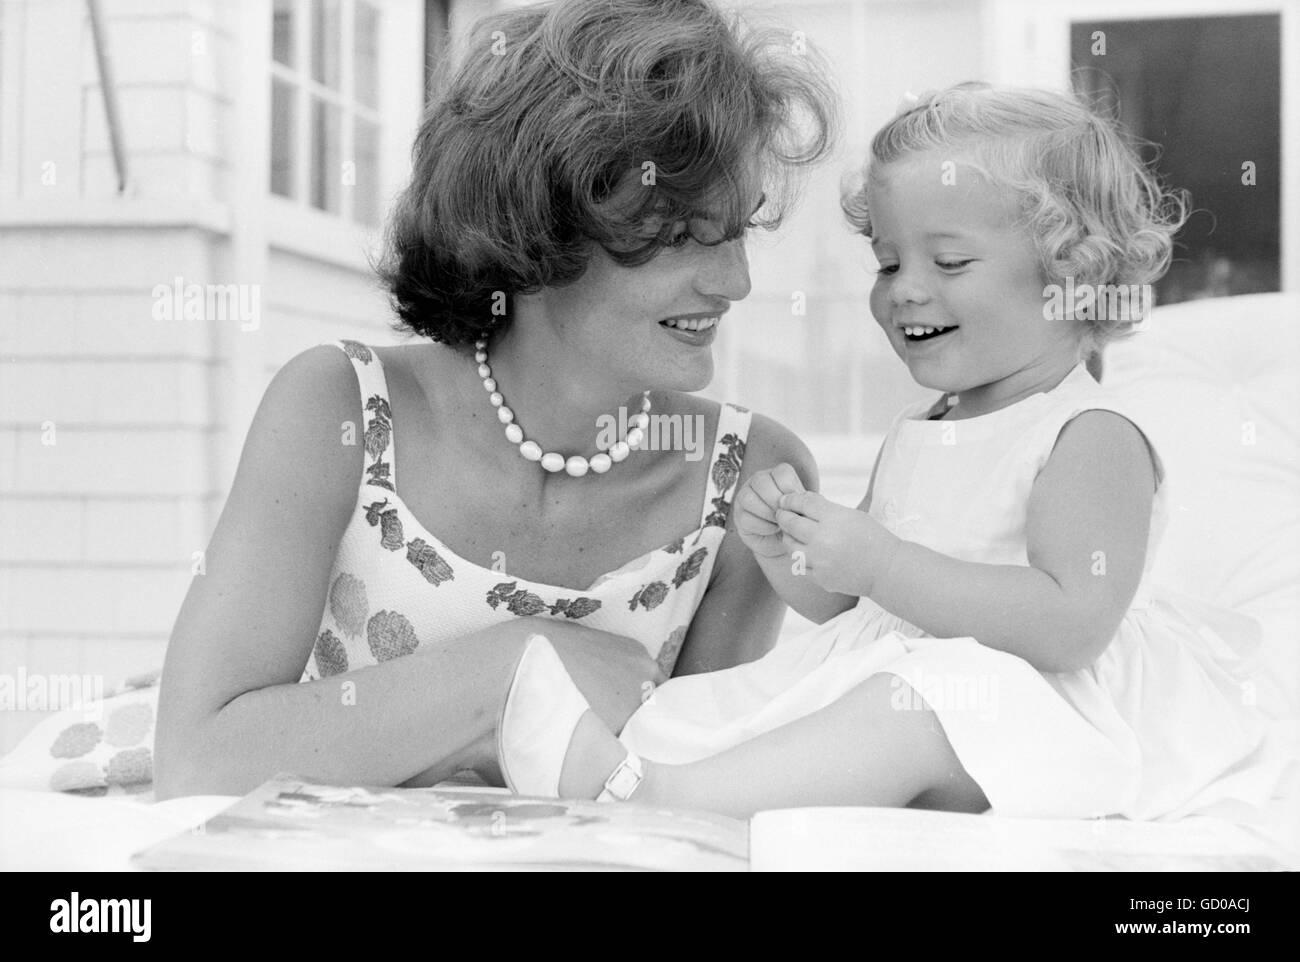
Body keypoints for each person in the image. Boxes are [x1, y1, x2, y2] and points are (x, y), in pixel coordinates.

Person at [498, 84, 1278, 821]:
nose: (904, 289)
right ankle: (630, 769)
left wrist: (883, 564)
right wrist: (794, 554)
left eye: (949, 263)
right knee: (710, 707)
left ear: (1071, 274)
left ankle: (658, 797)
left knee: (920, 705)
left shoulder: (1088, 434)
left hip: (1039, 711)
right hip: (916, 681)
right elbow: (849, 605)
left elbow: (1073, 624)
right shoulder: (921, 427)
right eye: (887, 261)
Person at [153, 0, 835, 799]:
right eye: (683, 234)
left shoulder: (752, 478)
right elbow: (199, 761)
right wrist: (518, 663)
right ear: (538, 222)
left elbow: (690, 803)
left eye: (737, 230)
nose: (736, 283)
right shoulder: (339, 409)